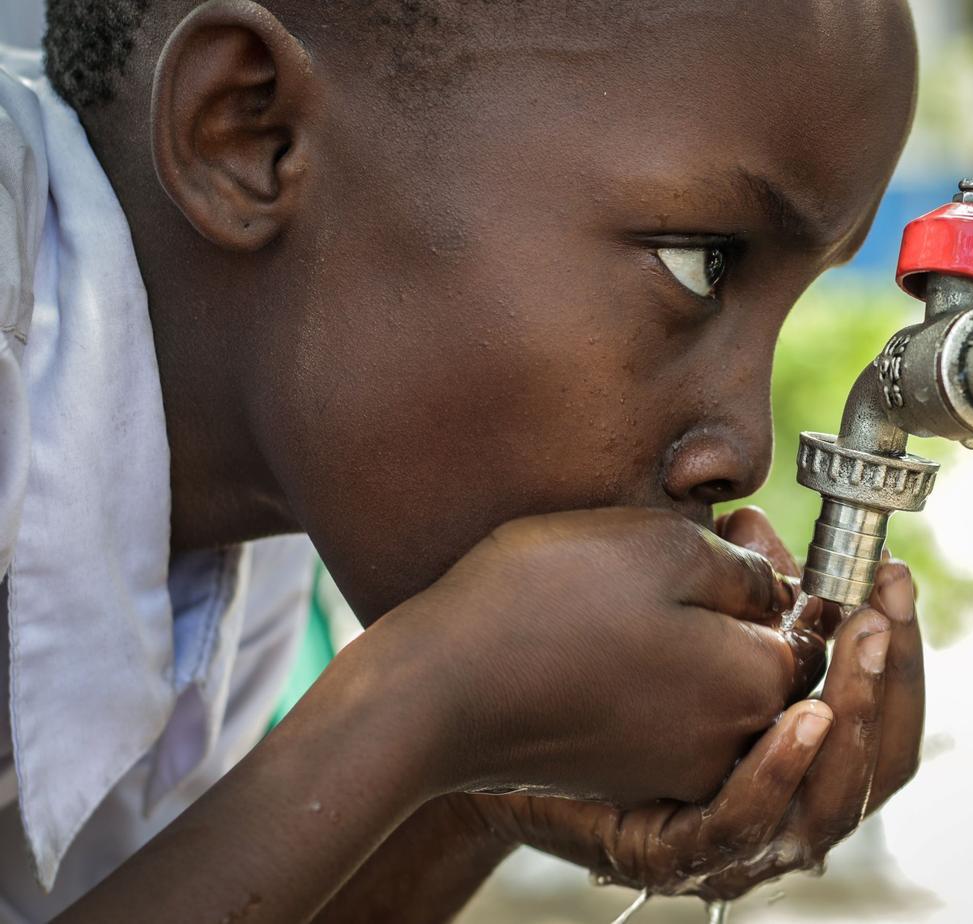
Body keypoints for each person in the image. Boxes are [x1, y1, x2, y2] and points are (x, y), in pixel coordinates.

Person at [0, 1, 925, 920]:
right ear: (252, 134)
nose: (744, 454)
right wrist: (422, 705)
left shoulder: (251, 513)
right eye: (699, 263)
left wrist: (474, 792)